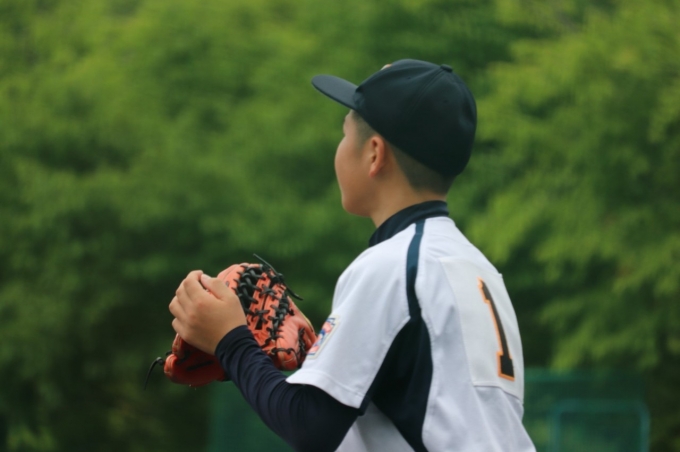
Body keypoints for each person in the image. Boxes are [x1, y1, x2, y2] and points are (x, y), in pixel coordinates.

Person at [169, 59, 536, 452]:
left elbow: (308, 425)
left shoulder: (392, 266)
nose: (340, 148)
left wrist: (230, 340)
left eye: (345, 133)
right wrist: (327, 364)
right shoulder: (480, 270)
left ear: (374, 154)